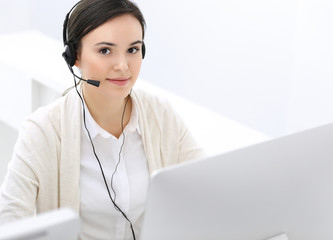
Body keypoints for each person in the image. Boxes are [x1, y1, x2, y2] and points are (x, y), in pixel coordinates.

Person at [0, 0, 204, 239]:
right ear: (74, 56)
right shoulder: (42, 131)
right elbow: (10, 224)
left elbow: (203, 186)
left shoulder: (161, 115)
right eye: (105, 50)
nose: (122, 66)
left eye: (133, 50)